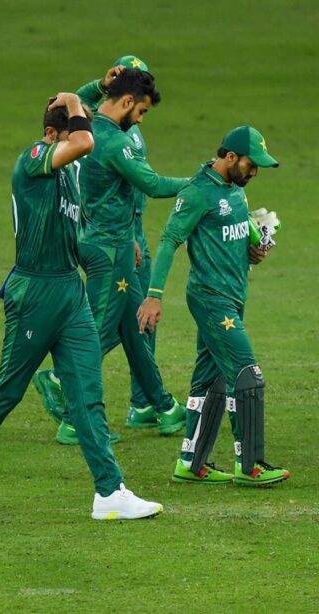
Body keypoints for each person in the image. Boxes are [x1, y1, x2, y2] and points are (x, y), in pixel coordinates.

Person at [0, 94, 162, 520]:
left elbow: (72, 224)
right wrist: (79, 100)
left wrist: (114, 249)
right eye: (74, 129)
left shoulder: (69, 175)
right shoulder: (34, 157)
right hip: (34, 293)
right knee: (8, 390)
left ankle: (109, 492)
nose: (81, 140)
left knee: (87, 393)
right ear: (50, 134)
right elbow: (81, 142)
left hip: (69, 293)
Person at [33, 68, 187, 445]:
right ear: (129, 101)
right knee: (94, 336)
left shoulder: (84, 127)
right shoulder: (115, 143)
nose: (140, 119)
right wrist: (205, 180)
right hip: (109, 252)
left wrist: (100, 85)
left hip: (99, 238)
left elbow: (64, 97)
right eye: (142, 111)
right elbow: (151, 184)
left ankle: (165, 406)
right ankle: (72, 417)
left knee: (136, 326)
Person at [137, 126, 290, 486]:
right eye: (252, 165)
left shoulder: (236, 191)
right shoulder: (197, 193)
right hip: (211, 299)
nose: (254, 173)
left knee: (212, 381)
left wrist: (257, 245)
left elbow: (240, 231)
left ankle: (191, 462)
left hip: (232, 297)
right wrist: (154, 295)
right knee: (246, 374)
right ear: (231, 157)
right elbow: (169, 239)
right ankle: (250, 465)